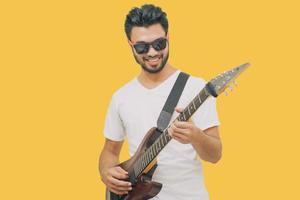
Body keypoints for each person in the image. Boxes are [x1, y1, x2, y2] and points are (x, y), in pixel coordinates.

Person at [99, 4, 222, 200]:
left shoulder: (195, 87)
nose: (152, 53)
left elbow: (215, 155)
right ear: (130, 44)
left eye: (159, 44)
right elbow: (110, 151)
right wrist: (106, 171)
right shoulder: (121, 97)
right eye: (142, 46)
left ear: (168, 38)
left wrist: (196, 136)